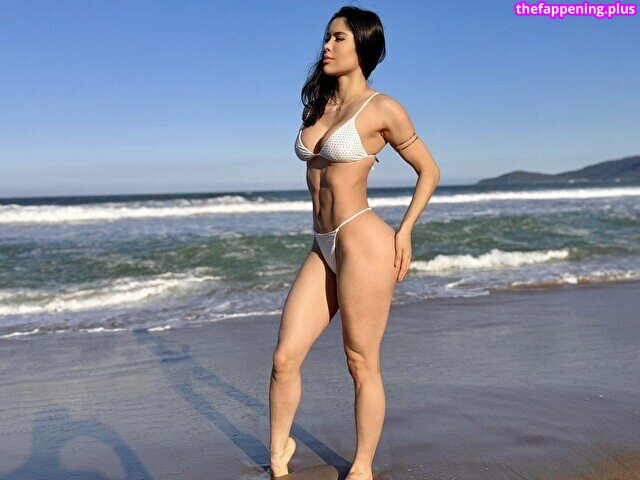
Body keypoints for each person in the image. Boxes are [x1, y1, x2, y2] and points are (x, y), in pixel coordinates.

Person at [269, 5, 441, 479]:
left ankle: (362, 466)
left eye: (338, 38)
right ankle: (278, 458)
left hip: (363, 241)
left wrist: (405, 230)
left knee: (360, 361)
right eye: (327, 37)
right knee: (284, 358)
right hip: (321, 244)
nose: (327, 46)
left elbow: (429, 170)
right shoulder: (319, 106)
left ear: (362, 45)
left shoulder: (382, 108)